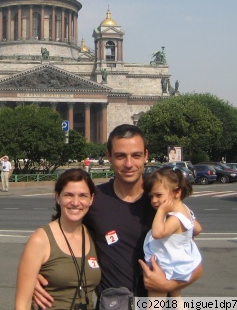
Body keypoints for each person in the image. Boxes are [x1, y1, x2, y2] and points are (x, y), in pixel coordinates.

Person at [33, 124, 202, 309]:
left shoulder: (161, 201)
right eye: (121, 156)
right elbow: (57, 237)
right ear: (109, 157)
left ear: (146, 155)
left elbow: (193, 264)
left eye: (136, 155)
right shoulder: (94, 201)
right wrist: (35, 275)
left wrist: (168, 285)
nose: (129, 164)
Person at [15, 168, 100, 310]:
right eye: (68, 195)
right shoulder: (41, 239)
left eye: (83, 196)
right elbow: (21, 304)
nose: (76, 202)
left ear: (91, 199)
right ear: (57, 197)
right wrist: (30, 281)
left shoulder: (93, 235)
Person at [142, 167, 202, 298]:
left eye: (159, 195)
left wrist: (161, 212)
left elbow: (158, 233)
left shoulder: (175, 218)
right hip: (178, 264)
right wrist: (186, 237)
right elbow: (197, 228)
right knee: (176, 297)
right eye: (151, 196)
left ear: (177, 192)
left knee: (155, 298)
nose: (154, 200)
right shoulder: (185, 210)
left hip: (166, 266)